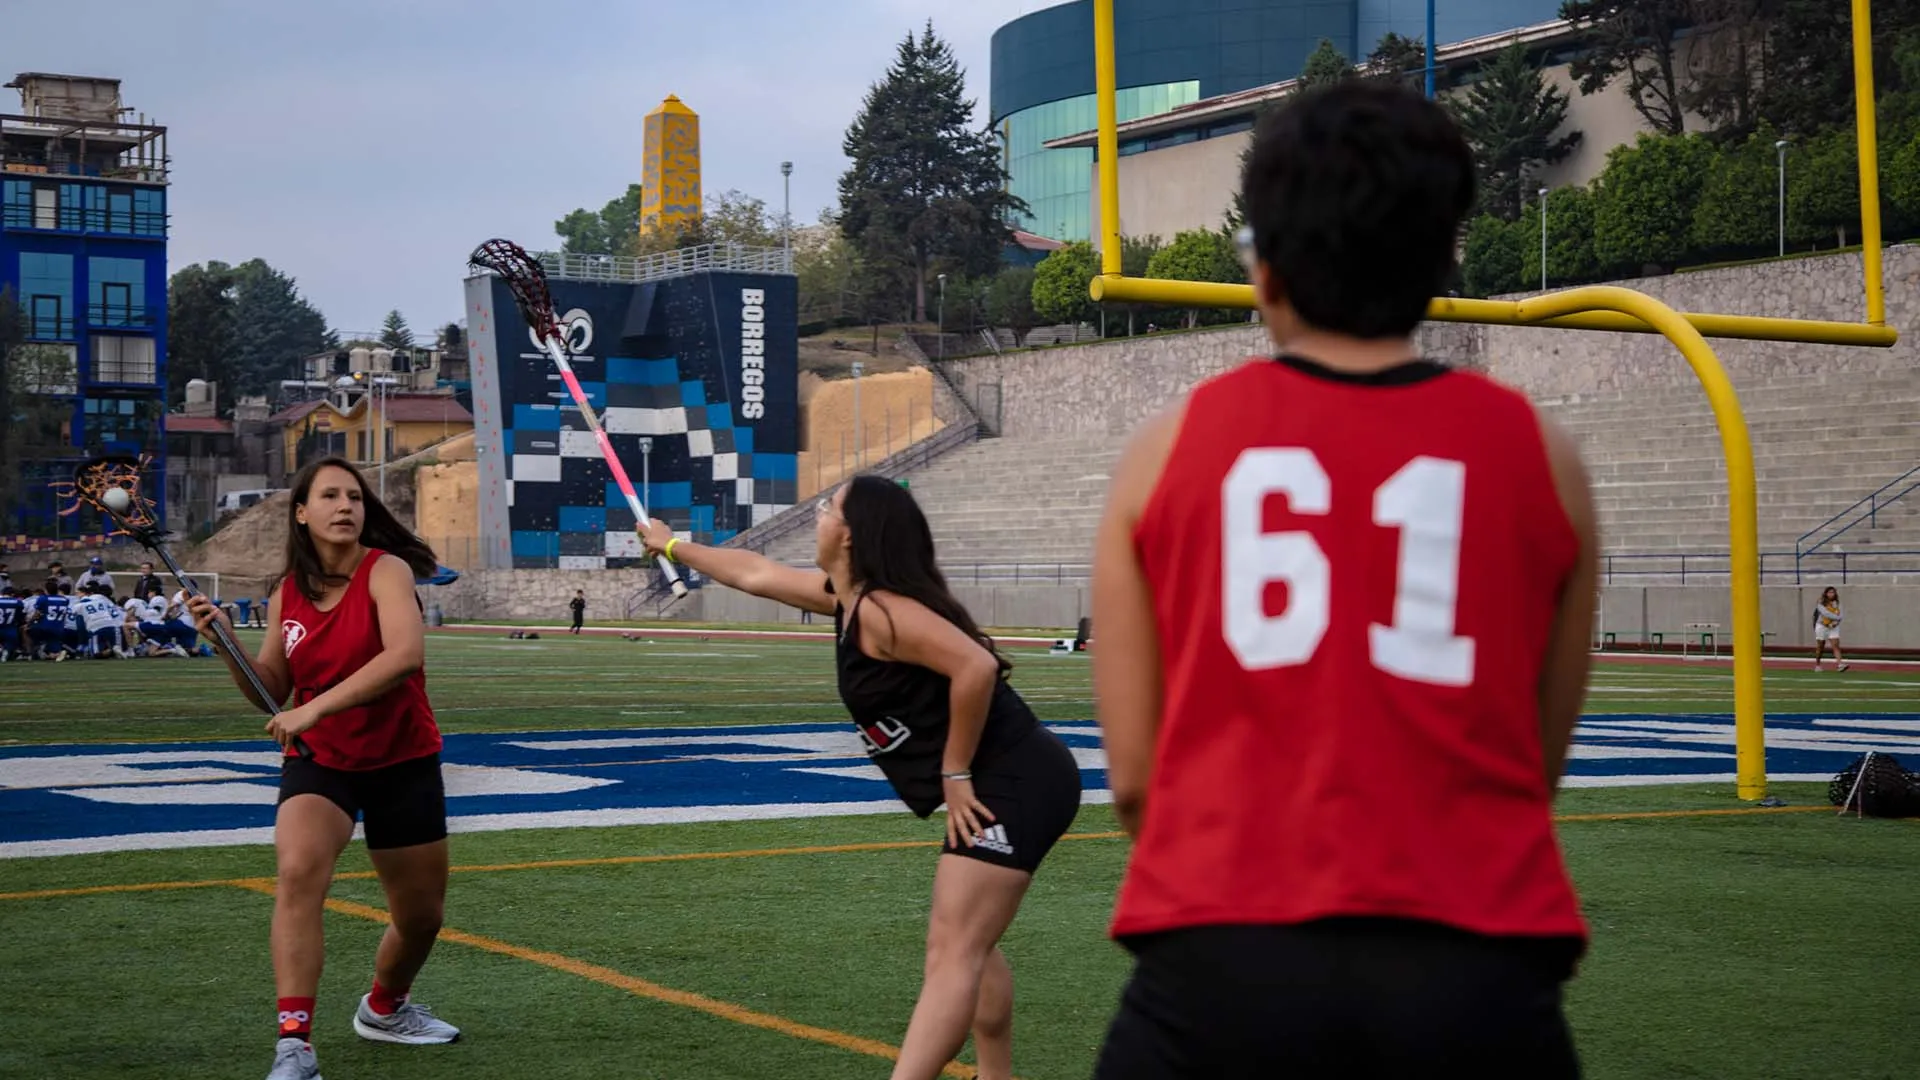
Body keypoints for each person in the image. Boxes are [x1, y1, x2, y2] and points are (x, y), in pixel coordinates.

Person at [1087, 81, 1598, 1078]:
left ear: (1264, 267)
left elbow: (1142, 779)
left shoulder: (1165, 453)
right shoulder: (1543, 455)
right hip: (1475, 969)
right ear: (1444, 257)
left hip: (1222, 964)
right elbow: (1533, 761)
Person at [635, 476, 1082, 1080]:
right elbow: (755, 574)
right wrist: (671, 546)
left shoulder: (882, 610)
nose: (817, 515)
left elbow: (975, 666)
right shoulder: (850, 599)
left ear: (849, 536)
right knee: (969, 943)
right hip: (1010, 777)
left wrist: (954, 771)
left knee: (953, 950)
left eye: (828, 509)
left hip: (1018, 779)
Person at [185, 456, 460, 1080]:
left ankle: (385, 1008)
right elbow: (270, 693)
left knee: (420, 918)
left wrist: (315, 710)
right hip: (321, 763)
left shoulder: (385, 570)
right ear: (302, 513)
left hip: (403, 759)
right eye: (330, 497)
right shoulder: (287, 591)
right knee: (298, 873)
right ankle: (295, 1044)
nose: (346, 507)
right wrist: (226, 643)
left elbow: (404, 657)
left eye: (355, 497)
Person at [1812, 586, 1847, 671]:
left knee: (1835, 645)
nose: (1831, 594)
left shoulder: (1838, 603)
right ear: (1826, 593)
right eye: (1829, 592)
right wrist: (1836, 618)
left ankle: (1840, 664)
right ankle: (1817, 664)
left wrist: (1836, 622)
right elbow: (1825, 613)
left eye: (1833, 592)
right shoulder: (1821, 602)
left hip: (1834, 626)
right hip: (1822, 626)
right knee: (1821, 646)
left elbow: (1841, 615)